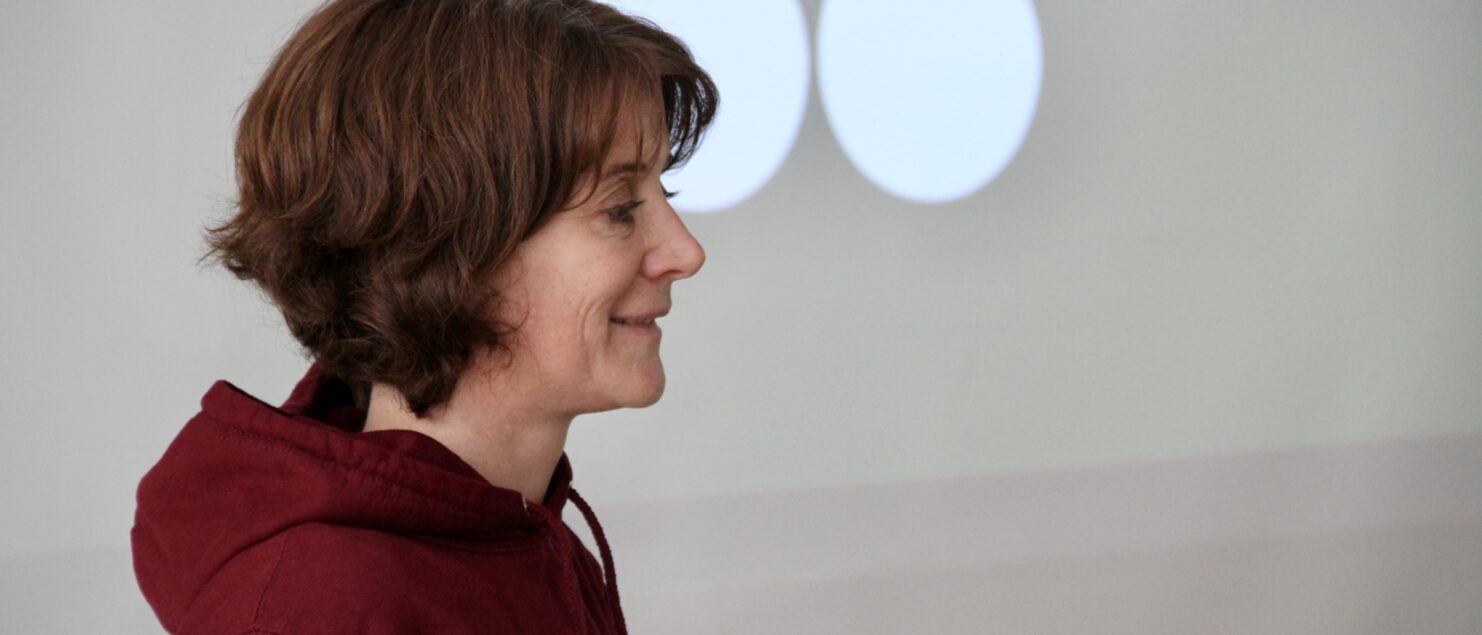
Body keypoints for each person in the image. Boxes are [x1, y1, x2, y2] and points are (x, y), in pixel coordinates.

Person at [130, 0, 717, 632]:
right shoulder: (325, 607)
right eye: (620, 208)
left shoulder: (532, 542)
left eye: (663, 191)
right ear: (445, 246)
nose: (686, 252)